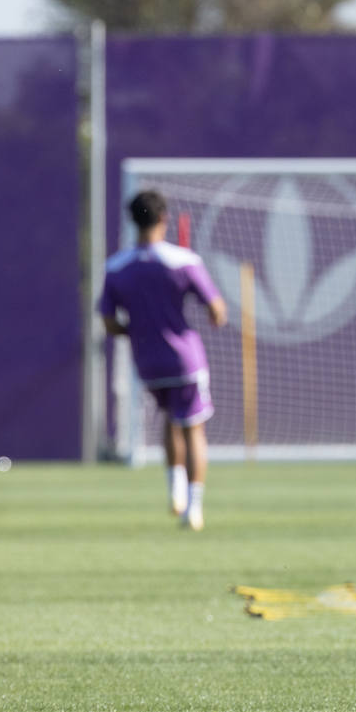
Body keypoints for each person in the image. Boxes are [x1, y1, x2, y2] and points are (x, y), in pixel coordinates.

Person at [98, 190, 227, 530]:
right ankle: (194, 507)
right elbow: (216, 310)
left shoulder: (115, 267)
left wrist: (137, 330)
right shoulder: (183, 261)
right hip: (185, 358)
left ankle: (175, 489)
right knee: (194, 427)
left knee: (171, 418)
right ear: (164, 219)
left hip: (148, 362)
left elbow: (109, 323)